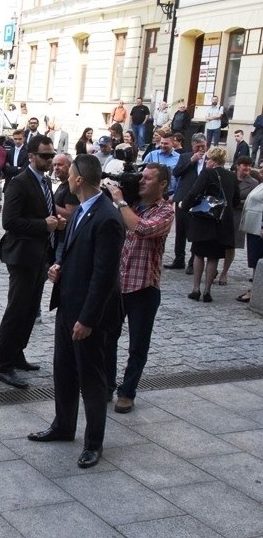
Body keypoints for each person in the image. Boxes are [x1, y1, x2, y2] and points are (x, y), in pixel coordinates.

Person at [29, 154, 125, 469]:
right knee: (64, 370)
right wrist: (59, 268)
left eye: (70, 174)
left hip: (89, 315)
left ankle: (93, 443)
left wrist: (87, 319)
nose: (67, 179)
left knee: (91, 378)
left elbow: (104, 276)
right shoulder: (82, 211)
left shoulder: (107, 217)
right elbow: (76, 256)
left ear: (79, 179)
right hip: (68, 306)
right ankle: (63, 425)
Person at [0, 135, 64, 389]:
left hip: (40, 255)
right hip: (21, 255)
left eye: (51, 155)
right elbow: (9, 222)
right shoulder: (19, 183)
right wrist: (42, 225)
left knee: (30, 310)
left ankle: (17, 353)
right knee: (17, 310)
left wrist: (55, 223)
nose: (50, 159)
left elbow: (46, 213)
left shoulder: (45, 181)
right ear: (31, 156)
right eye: (45, 155)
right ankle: (2, 366)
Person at [104, 163, 174, 413]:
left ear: (163, 184)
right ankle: (106, 386)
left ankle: (128, 392)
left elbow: (142, 228)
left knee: (138, 346)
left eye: (148, 179)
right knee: (107, 339)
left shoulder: (165, 210)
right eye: (141, 177)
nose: (142, 182)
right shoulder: (131, 203)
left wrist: (120, 202)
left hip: (144, 287)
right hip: (118, 284)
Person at [182, 147, 240, 302]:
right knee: (213, 257)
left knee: (199, 254)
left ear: (213, 160)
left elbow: (194, 192)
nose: (206, 161)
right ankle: (207, 290)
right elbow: (235, 200)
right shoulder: (231, 176)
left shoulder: (207, 173)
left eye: (208, 159)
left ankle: (196, 289)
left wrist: (184, 206)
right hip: (222, 222)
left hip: (205, 219)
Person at [166, 133, 208, 273]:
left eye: (203, 146)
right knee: (181, 230)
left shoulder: (210, 158)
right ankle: (179, 259)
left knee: (196, 230)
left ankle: (193, 262)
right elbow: (176, 173)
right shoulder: (184, 157)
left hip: (201, 200)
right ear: (192, 146)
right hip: (183, 197)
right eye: (198, 147)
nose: (201, 149)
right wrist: (192, 160)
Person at [220, 156, 259, 286]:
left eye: (249, 165)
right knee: (217, 243)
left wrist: (233, 202)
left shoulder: (253, 182)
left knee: (231, 245)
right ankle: (213, 268)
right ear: (238, 166)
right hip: (223, 214)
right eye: (244, 165)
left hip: (237, 216)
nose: (247, 168)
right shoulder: (229, 177)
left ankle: (224, 272)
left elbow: (251, 201)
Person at [237, 178, 263, 303]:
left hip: (259, 229)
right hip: (254, 228)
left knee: (258, 260)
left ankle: (256, 291)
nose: (261, 169)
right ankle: (256, 288)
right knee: (254, 261)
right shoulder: (260, 184)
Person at [52, 153, 79, 263]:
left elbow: (71, 214)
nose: (56, 168)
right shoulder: (63, 184)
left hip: (65, 239)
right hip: (58, 238)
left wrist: (49, 203)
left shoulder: (70, 188)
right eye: (54, 165)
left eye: (60, 165)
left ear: (70, 166)